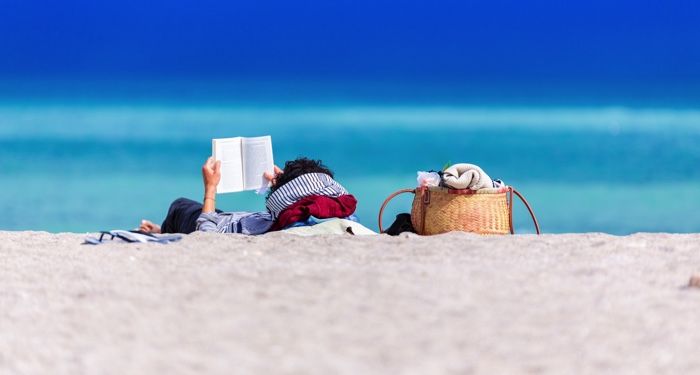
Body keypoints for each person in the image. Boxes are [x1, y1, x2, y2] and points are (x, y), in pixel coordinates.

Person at [139, 156, 358, 234]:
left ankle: (162, 231)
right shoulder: (340, 212)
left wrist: (211, 188)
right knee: (220, 214)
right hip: (243, 220)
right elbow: (309, 193)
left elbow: (206, 235)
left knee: (180, 206)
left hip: (223, 225)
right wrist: (285, 183)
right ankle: (163, 229)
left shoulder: (286, 221)